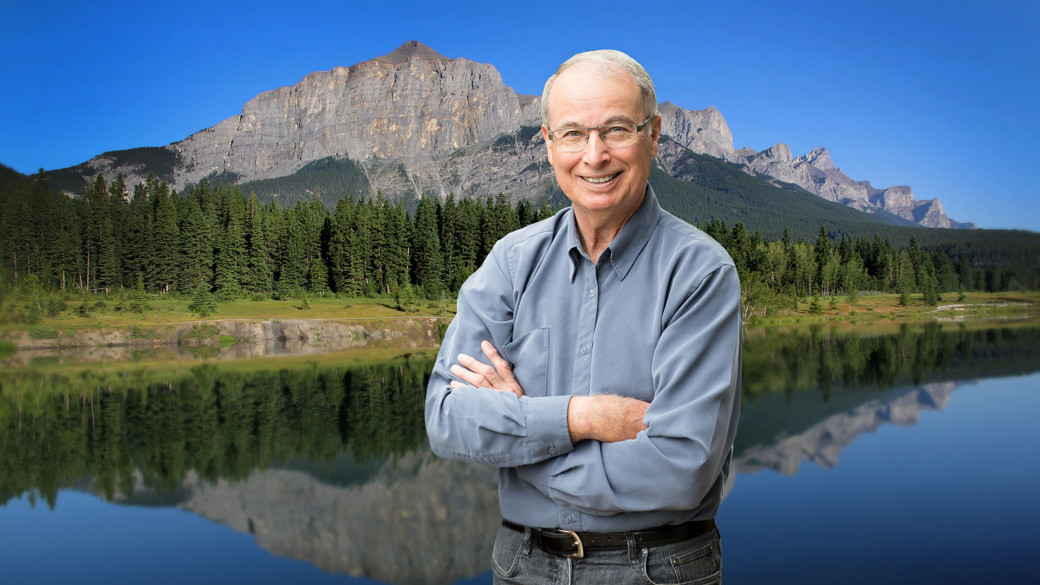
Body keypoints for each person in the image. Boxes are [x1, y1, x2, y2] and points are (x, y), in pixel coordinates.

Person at [425, 49, 742, 585]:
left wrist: (522, 441)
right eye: (573, 133)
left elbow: (681, 468)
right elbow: (446, 419)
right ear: (548, 143)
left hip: (657, 569)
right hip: (521, 564)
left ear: (654, 134)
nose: (594, 156)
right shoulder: (509, 263)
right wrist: (583, 418)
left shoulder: (700, 273)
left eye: (616, 129)